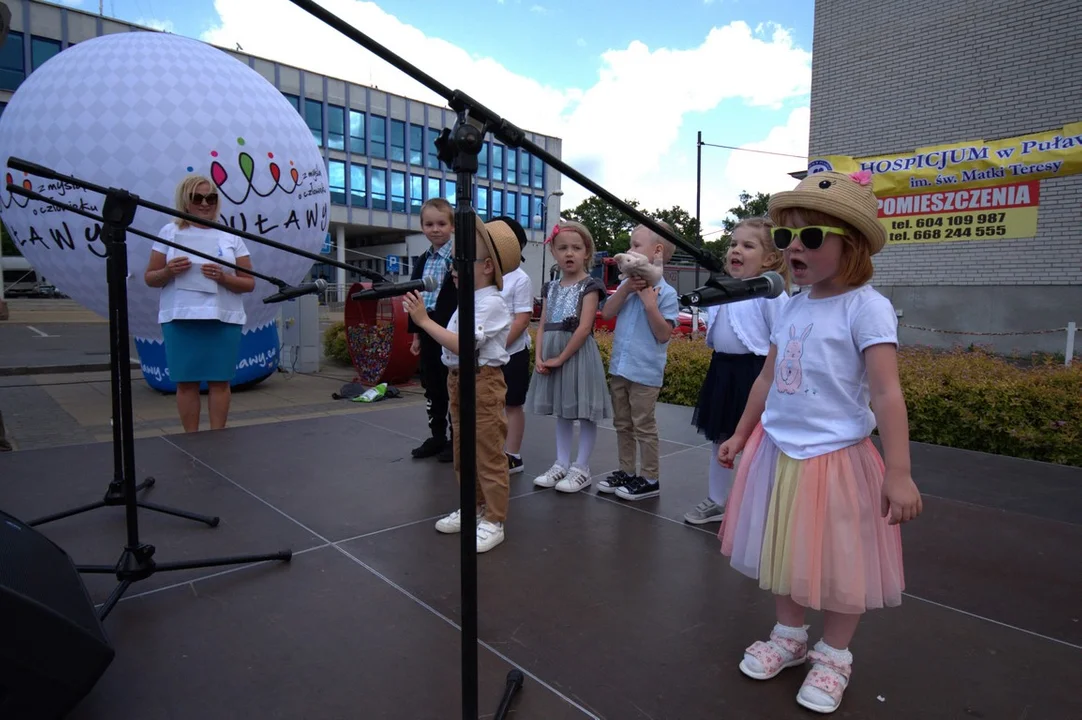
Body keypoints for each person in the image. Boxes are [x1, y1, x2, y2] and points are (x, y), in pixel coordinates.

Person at [716, 170, 923, 714]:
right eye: (784, 238)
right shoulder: (790, 304)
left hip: (835, 458)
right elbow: (766, 376)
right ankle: (789, 635)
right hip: (779, 451)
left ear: (849, 246)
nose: (792, 249)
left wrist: (899, 472)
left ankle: (834, 655)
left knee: (841, 561)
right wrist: (741, 433)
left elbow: (886, 392)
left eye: (809, 237)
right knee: (781, 548)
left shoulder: (865, 307)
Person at [402, 214, 521, 553]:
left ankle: (495, 519)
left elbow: (464, 345)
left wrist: (423, 321)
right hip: (459, 382)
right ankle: (474, 507)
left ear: (486, 267)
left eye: (461, 259)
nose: (454, 265)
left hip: (482, 382)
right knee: (462, 453)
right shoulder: (466, 301)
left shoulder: (493, 303)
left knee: (487, 455)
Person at [683, 217, 790, 524]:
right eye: (732, 244)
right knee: (720, 438)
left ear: (769, 258)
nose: (736, 250)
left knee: (758, 442)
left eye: (747, 245)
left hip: (756, 373)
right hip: (723, 369)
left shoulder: (771, 295)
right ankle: (716, 500)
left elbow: (782, 338)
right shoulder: (722, 289)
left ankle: (761, 502)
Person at [144, 174, 255, 432]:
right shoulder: (169, 232)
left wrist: (223, 278)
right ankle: (191, 440)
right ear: (185, 201)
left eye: (211, 198)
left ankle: (217, 438)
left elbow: (249, 283)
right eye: (197, 198)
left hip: (223, 317)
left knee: (220, 381)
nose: (205, 203)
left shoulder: (231, 236)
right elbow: (151, 278)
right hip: (181, 317)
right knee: (186, 382)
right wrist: (169, 271)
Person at [525, 221, 612, 493]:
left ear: (587, 252)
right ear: (553, 251)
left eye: (576, 248)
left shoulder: (591, 285)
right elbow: (541, 323)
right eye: (562, 248)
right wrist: (539, 355)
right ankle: (561, 463)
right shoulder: (550, 287)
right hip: (552, 354)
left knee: (584, 413)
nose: (569, 253)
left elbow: (585, 327)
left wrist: (560, 358)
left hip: (576, 355)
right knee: (562, 412)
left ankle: (581, 467)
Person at [594, 223, 679, 501]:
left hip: (645, 372)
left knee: (643, 425)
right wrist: (626, 290)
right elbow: (606, 313)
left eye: (636, 245)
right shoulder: (624, 285)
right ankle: (627, 471)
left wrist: (650, 305)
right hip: (621, 367)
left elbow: (664, 334)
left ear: (656, 252)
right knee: (622, 423)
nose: (630, 250)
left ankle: (650, 477)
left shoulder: (666, 292)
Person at [407, 198, 457, 463]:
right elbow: (414, 297)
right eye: (429, 224)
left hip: (449, 328)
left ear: (452, 226)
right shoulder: (423, 260)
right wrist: (415, 334)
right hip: (426, 328)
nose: (435, 229)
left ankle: (455, 439)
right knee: (432, 385)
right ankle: (436, 435)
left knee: (452, 384)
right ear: (422, 227)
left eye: (441, 223)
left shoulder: (459, 258)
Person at [487, 216, 533, 475]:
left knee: (512, 404)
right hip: (485, 353)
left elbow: (522, 319)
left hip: (511, 352)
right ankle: (492, 450)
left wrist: (499, 345)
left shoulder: (520, 278)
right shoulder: (484, 273)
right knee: (489, 404)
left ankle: (512, 455)